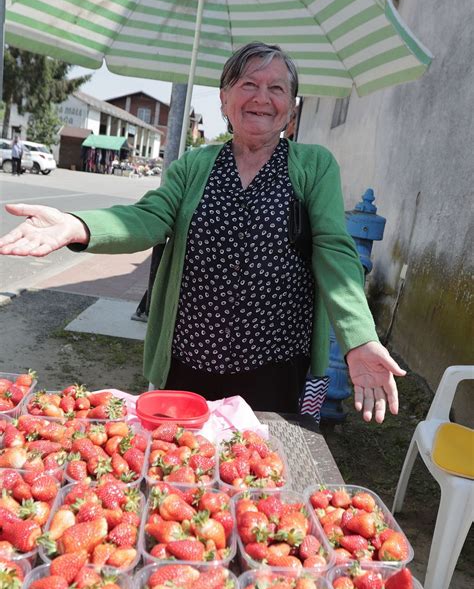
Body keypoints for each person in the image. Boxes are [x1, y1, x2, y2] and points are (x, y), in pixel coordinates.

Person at [0, 42, 405, 422]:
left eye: (277, 88)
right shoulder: (193, 166)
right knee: (178, 464)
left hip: (276, 364)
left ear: (291, 109)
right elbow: (149, 218)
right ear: (224, 99)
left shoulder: (314, 165)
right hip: (188, 358)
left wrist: (358, 337)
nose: (263, 97)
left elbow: (334, 250)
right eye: (248, 84)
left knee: (255, 475)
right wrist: (80, 225)